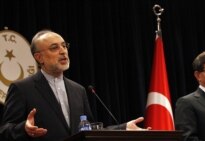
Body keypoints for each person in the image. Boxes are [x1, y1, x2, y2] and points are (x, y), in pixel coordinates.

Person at [0, 30, 150, 141]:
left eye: (64, 46)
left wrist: (123, 128)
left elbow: (89, 129)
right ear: (39, 57)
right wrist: (24, 129)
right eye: (54, 48)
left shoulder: (78, 90)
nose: (63, 52)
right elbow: (5, 131)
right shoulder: (23, 89)